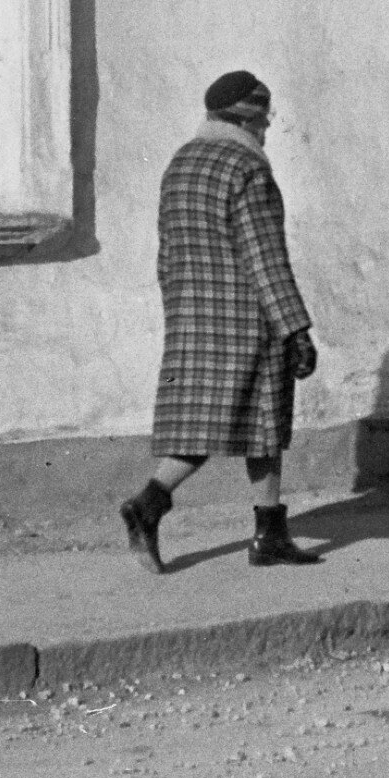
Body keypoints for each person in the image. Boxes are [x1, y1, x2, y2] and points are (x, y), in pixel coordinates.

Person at [120, 70, 323, 571]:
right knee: (263, 424)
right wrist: (296, 328)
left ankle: (151, 503)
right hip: (250, 319)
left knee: (203, 424)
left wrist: (180, 312)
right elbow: (265, 259)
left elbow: (167, 255)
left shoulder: (181, 163)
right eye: (265, 118)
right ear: (248, 118)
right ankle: (267, 536)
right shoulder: (247, 168)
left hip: (193, 318)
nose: (268, 128)